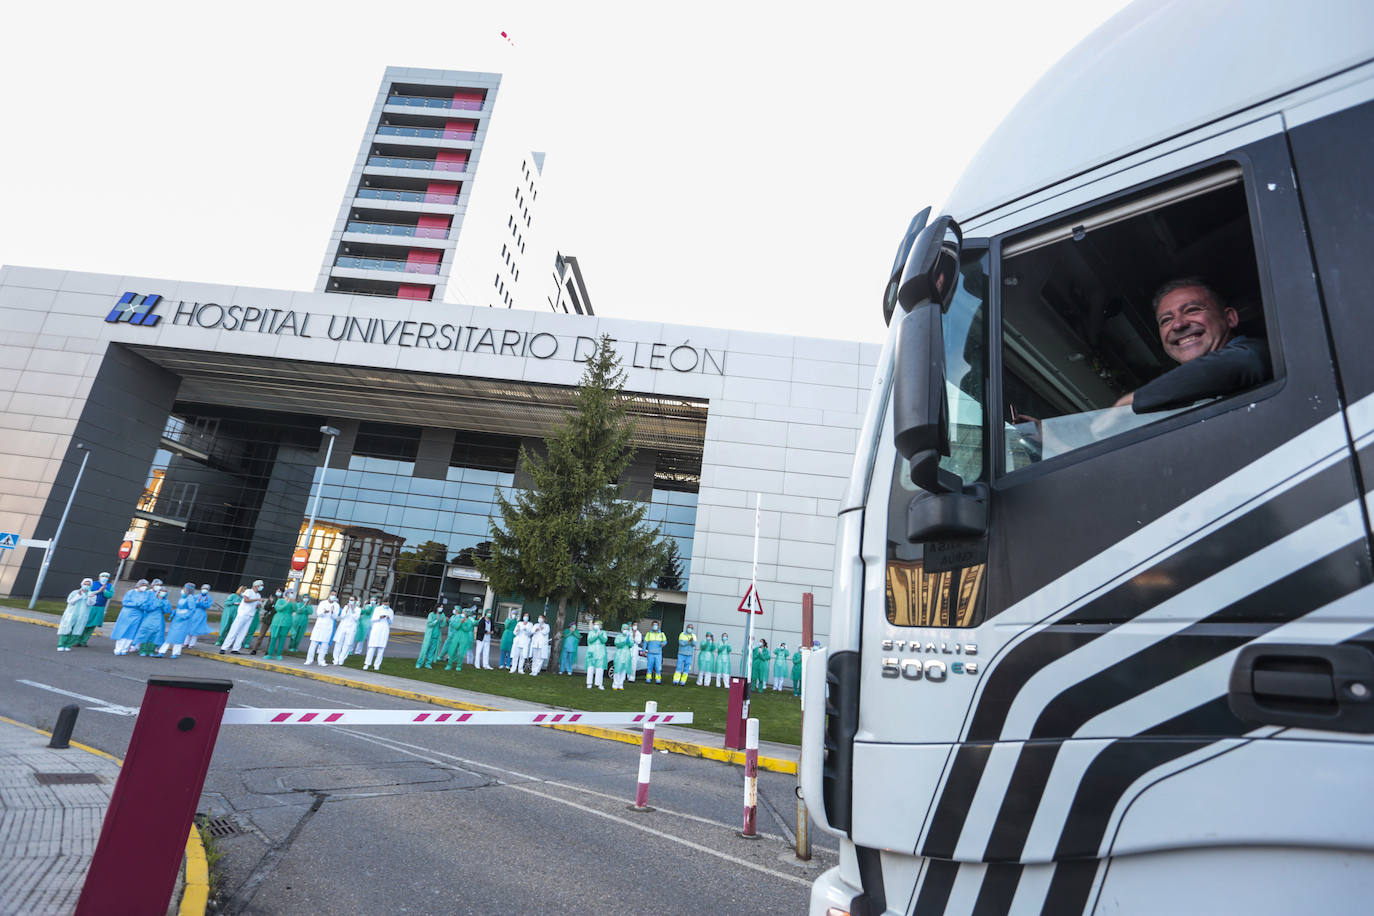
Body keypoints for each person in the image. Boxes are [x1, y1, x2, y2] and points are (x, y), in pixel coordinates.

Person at [1117, 278, 1270, 413]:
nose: (1178, 325)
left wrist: (1131, 402)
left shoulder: (1256, 351)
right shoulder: (1187, 393)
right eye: (1166, 320)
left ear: (1230, 318)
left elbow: (1236, 363)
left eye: (1192, 310)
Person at [223, 579, 264, 654]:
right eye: (261, 585)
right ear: (256, 586)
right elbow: (246, 600)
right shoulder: (248, 591)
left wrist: (259, 604)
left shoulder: (258, 595)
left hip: (250, 615)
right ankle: (224, 648)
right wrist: (257, 600)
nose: (262, 587)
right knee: (234, 630)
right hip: (243, 614)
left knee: (243, 632)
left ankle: (235, 649)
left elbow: (256, 605)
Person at [158, 583, 197, 658]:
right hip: (177, 619)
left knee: (179, 637)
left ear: (188, 590)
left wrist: (184, 616)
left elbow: (192, 610)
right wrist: (175, 611)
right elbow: (179, 607)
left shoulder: (190, 598)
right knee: (170, 636)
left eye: (184, 589)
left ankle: (175, 653)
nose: (182, 590)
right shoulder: (182, 598)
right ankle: (161, 652)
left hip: (183, 620)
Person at [112, 579, 150, 655]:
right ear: (138, 585)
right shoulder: (131, 592)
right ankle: (118, 648)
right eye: (143, 585)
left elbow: (147, 604)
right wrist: (136, 604)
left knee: (132, 632)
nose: (144, 587)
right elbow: (125, 602)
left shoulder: (146, 594)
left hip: (138, 615)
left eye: (146, 586)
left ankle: (125, 649)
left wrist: (143, 606)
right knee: (123, 631)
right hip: (127, 614)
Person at [75, 572, 113, 647]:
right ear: (99, 577)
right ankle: (76, 640)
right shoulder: (93, 584)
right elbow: (86, 592)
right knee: (84, 623)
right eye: (103, 576)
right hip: (90, 606)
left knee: (92, 625)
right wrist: (99, 590)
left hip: (100, 607)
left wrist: (104, 590)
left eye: (106, 577)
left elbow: (110, 595)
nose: (105, 577)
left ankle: (84, 641)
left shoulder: (109, 586)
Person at [57, 578, 95, 651]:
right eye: (85, 584)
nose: (86, 586)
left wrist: (90, 597)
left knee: (77, 630)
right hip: (71, 614)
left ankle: (68, 645)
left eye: (88, 585)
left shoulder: (91, 594)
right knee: (66, 629)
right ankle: (61, 644)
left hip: (82, 615)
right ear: (82, 584)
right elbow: (70, 601)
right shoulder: (75, 592)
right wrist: (78, 596)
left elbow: (90, 604)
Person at [305, 591, 340, 665]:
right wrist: (325, 612)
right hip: (319, 626)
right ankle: (309, 660)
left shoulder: (336, 605)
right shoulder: (322, 603)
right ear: (329, 595)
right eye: (332, 594)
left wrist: (332, 612)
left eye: (334, 595)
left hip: (328, 627)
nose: (333, 596)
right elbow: (318, 613)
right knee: (313, 644)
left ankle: (321, 660)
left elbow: (335, 617)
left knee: (325, 644)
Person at [136, 582, 169, 657]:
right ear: (158, 592)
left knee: (155, 635)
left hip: (159, 620)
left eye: (165, 592)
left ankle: (151, 650)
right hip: (150, 618)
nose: (163, 593)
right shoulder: (152, 599)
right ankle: (143, 650)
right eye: (162, 592)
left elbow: (167, 610)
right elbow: (145, 607)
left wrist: (163, 606)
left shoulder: (166, 601)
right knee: (146, 634)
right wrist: (154, 606)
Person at [363, 600, 394, 670]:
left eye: (388, 603)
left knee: (381, 648)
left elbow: (391, 622)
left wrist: (388, 618)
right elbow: (373, 619)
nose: (386, 605)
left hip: (385, 629)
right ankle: (367, 663)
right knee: (372, 647)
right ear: (383, 603)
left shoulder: (391, 611)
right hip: (376, 629)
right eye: (385, 603)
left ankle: (377, 665)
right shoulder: (377, 609)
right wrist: (380, 617)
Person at [250, 588, 282, 655]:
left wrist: (274, 604)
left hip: (276, 619)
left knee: (272, 636)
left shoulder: (282, 600)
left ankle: (268, 651)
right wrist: (271, 602)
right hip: (268, 618)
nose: (278, 592)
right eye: (277, 591)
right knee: (261, 635)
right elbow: (266, 607)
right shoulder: (272, 598)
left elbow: (279, 609)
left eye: (279, 591)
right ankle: (254, 649)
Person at [265, 590, 295, 660]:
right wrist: (287, 602)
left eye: (293, 593)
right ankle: (269, 654)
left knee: (282, 638)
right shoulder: (280, 600)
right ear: (287, 594)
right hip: (277, 621)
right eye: (291, 593)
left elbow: (295, 609)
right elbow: (278, 609)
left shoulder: (292, 602)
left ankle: (279, 654)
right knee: (273, 637)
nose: (292, 594)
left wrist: (293, 603)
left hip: (287, 622)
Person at [333, 597, 361, 665]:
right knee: (338, 643)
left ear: (355, 601)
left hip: (351, 628)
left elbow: (356, 618)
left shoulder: (358, 609)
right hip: (343, 627)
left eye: (352, 600)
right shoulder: (346, 607)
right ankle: (335, 659)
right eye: (350, 600)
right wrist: (347, 609)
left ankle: (341, 659)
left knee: (347, 644)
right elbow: (342, 616)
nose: (350, 601)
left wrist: (353, 609)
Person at [416, 603, 445, 669]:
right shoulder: (431, 614)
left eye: (442, 607)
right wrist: (436, 621)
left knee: (432, 651)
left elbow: (442, 625)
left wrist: (442, 621)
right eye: (440, 607)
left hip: (436, 636)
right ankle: (419, 663)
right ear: (437, 607)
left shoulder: (442, 615)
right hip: (429, 636)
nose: (441, 608)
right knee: (424, 650)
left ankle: (428, 663)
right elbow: (429, 624)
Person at [185, 584, 214, 649]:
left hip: (201, 614)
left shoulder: (208, 598)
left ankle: (191, 644)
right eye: (204, 588)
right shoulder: (196, 596)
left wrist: (201, 603)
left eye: (206, 589)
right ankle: (186, 643)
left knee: (196, 630)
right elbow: (191, 603)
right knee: (189, 628)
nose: (204, 590)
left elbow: (207, 606)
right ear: (201, 589)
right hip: (193, 613)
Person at [585, 620, 608, 690]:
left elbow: (604, 640)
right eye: (595, 624)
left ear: (600, 626)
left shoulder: (603, 632)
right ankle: (589, 683)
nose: (596, 626)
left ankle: (599, 684)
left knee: (600, 668)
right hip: (591, 651)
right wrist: (596, 635)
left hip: (600, 652)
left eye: (597, 624)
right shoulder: (591, 632)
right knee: (590, 667)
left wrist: (600, 634)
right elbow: (589, 640)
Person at [612, 624, 633, 690]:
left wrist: (628, 641)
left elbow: (631, 645)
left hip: (626, 654)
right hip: (619, 654)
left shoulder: (629, 637)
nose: (625, 630)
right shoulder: (618, 636)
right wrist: (624, 642)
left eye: (627, 629)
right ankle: (615, 684)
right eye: (624, 629)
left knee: (624, 670)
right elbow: (617, 644)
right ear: (622, 629)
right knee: (617, 669)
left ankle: (621, 684)